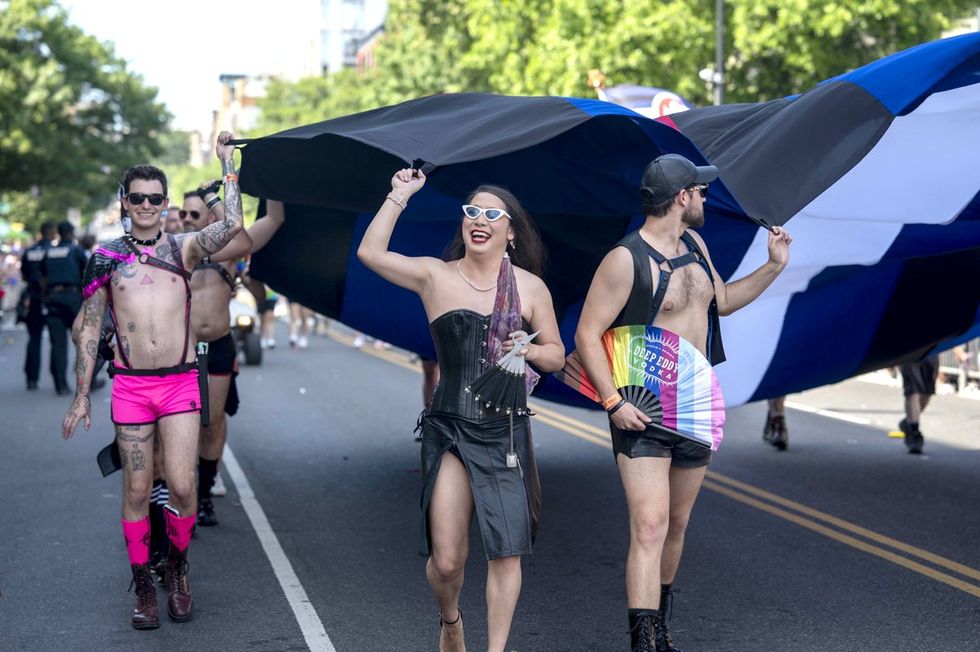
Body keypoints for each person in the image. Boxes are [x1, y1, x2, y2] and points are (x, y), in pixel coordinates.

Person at [574, 154, 792, 652]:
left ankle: (662, 627)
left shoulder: (695, 245)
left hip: (694, 402)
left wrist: (774, 267)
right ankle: (643, 642)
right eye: (700, 190)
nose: (706, 196)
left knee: (676, 523)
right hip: (642, 407)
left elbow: (724, 302)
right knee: (649, 523)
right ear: (681, 197)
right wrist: (611, 402)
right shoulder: (624, 259)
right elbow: (588, 334)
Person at [357, 169, 565, 652]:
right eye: (472, 211)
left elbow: (556, 352)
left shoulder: (530, 289)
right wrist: (399, 195)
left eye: (493, 214)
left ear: (510, 231)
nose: (480, 220)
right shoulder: (435, 275)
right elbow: (370, 253)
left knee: (506, 553)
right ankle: (451, 621)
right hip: (450, 428)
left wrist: (531, 351)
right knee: (448, 560)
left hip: (504, 432)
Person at [61, 131, 246, 630]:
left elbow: (231, 224)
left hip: (181, 383)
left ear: (165, 203)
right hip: (131, 387)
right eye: (137, 197)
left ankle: (178, 568)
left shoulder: (183, 248)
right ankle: (143, 583)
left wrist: (227, 167)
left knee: (183, 487)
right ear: (125, 201)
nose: (146, 205)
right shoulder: (104, 258)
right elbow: (91, 327)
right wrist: (82, 394)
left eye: (155, 198)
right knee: (138, 489)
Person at [183, 184, 285, 525]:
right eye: (182, 214)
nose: (185, 220)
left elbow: (274, 218)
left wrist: (273, 175)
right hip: (179, 352)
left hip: (218, 348)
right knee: (185, 426)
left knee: (211, 424)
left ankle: (205, 494)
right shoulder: (172, 249)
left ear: (212, 216)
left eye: (193, 214)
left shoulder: (230, 250)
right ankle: (180, 493)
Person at [41, 221, 89, 395]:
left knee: (58, 344)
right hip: (73, 298)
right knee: (83, 341)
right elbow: (88, 273)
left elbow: (43, 276)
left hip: (53, 298)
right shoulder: (76, 250)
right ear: (71, 233)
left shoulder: (48, 251)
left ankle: (60, 384)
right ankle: (85, 383)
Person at [20, 221, 56, 390]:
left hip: (33, 298)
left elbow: (25, 276)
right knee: (57, 340)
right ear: (51, 232)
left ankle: (31, 379)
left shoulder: (29, 252)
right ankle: (58, 378)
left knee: (34, 339)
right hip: (51, 298)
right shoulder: (55, 252)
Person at [898, 355, 939, 454]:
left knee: (928, 391)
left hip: (931, 349)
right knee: (913, 390)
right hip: (909, 349)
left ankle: (908, 421)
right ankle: (914, 430)